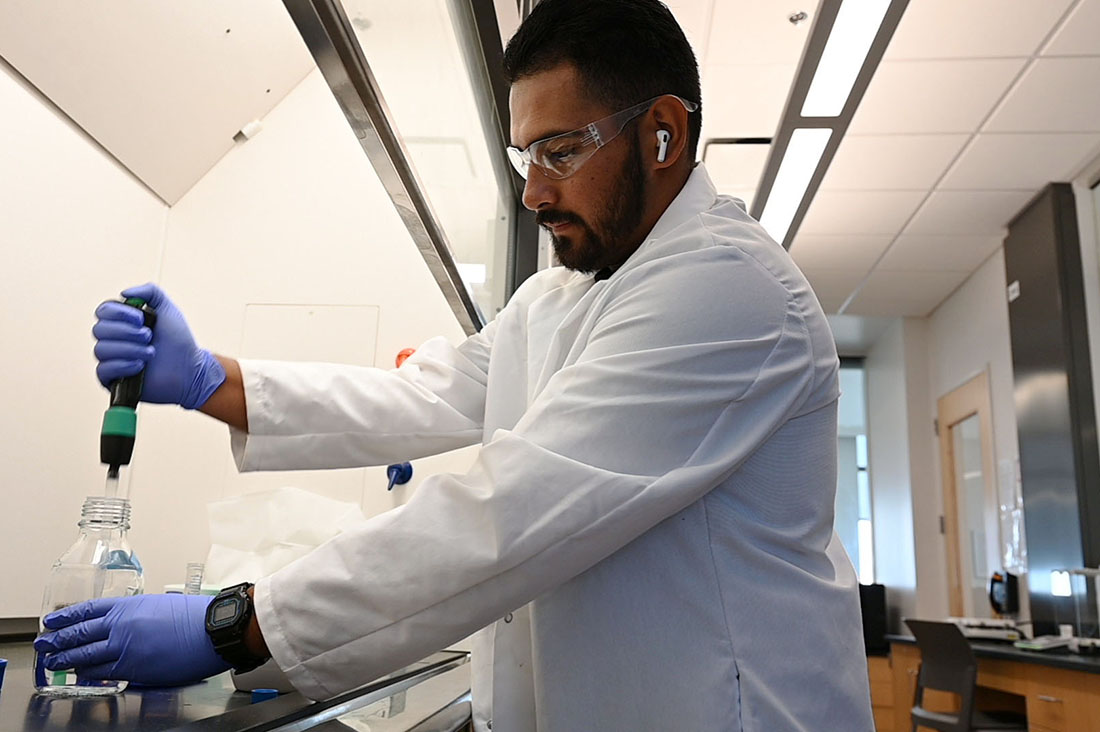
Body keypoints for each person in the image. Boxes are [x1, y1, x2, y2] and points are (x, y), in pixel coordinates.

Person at [35, 1, 874, 729]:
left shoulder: (730, 290)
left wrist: (230, 626)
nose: (533, 192)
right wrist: (215, 382)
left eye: (561, 151)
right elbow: (425, 395)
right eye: (524, 157)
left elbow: (511, 513)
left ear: (664, 133)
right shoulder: (564, 296)